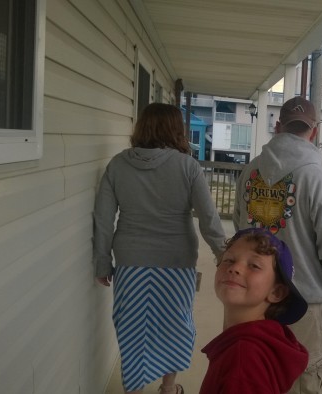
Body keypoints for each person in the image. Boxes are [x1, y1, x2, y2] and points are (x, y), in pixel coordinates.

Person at [93, 103, 226, 394]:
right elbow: (208, 218)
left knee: (132, 328)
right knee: (175, 325)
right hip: (176, 261)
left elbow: (103, 218)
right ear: (176, 130)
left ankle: (135, 388)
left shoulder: (117, 164)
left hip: (130, 260)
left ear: (142, 126)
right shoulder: (188, 167)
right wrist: (224, 256)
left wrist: (102, 262)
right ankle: (168, 387)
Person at [232, 96, 322, 393]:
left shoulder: (250, 172)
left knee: (255, 377)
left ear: (278, 126)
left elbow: (239, 228)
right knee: (303, 380)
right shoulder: (318, 179)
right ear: (314, 131)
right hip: (302, 306)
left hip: (254, 300)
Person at [200, 228, 309, 393]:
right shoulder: (255, 342)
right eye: (229, 260)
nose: (235, 268)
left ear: (276, 292)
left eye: (254, 265)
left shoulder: (243, 360)